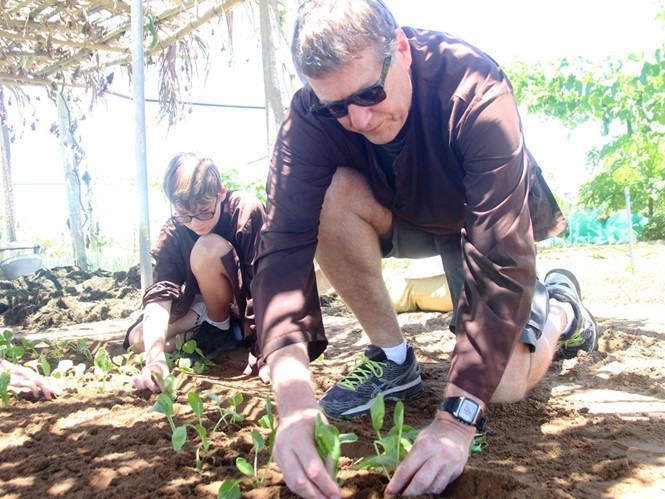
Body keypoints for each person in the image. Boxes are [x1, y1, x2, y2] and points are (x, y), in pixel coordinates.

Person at [251, 0, 599, 496]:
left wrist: (456, 421)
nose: (359, 118)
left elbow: (502, 259)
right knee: (329, 194)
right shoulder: (310, 117)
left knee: (501, 387)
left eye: (370, 93)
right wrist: (292, 404)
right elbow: (282, 246)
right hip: (397, 210)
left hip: (473, 220)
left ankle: (562, 308)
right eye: (337, 107)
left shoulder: (475, 87)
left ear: (400, 49)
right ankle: (393, 358)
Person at [127, 153, 269, 392]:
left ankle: (225, 330)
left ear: (221, 193)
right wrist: (155, 359)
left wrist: (268, 353)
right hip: (204, 307)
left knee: (207, 247)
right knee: (139, 339)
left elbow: (265, 285)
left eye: (205, 211)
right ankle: (213, 334)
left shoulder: (245, 212)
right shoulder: (174, 230)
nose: (196, 223)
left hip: (243, 310)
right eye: (185, 215)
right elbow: (161, 295)